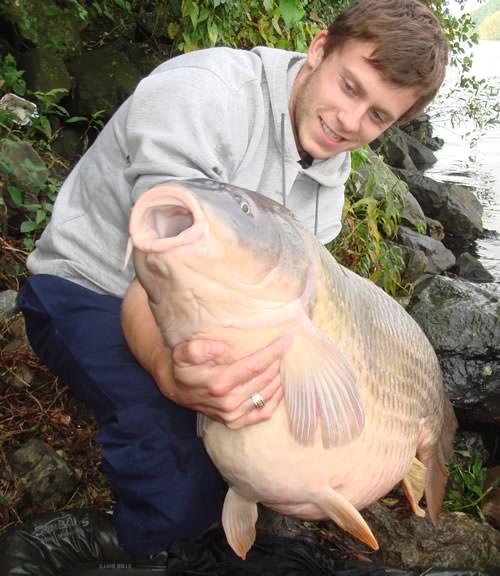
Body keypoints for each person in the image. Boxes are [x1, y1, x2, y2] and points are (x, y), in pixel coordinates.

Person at [17, 0, 449, 558]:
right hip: (87, 288)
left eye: (377, 117)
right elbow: (160, 276)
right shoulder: (205, 91)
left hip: (209, 310)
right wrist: (173, 378)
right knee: (188, 489)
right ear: (318, 50)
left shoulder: (328, 177)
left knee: (251, 458)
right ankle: (100, 542)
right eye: (349, 86)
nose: (350, 121)